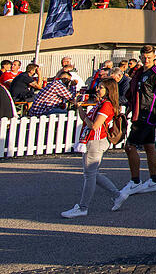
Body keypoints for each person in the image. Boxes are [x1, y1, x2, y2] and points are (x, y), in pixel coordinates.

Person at [61, 78, 124, 218]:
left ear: (109, 90)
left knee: (89, 175)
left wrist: (87, 119)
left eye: (101, 88)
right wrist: (79, 107)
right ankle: (117, 195)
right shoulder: (100, 103)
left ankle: (83, 207)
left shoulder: (106, 105)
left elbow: (95, 126)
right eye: (99, 87)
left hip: (96, 140)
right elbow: (87, 120)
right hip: (92, 140)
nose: (98, 89)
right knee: (92, 173)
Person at [122, 46, 156, 198]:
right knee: (149, 146)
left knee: (130, 146)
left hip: (147, 116)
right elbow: (135, 93)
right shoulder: (139, 72)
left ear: (154, 56)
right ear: (140, 57)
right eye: (144, 56)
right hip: (138, 113)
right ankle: (154, 181)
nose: (146, 59)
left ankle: (135, 181)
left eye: (149, 57)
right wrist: (130, 108)